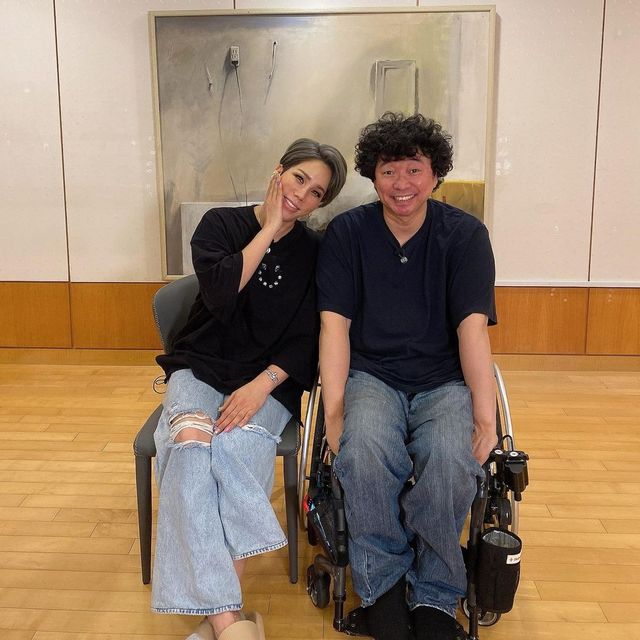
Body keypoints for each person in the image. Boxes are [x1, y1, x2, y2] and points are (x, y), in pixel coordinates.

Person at [152, 138, 347, 640]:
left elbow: (308, 336)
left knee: (235, 449)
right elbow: (220, 295)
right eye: (299, 178)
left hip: (269, 379)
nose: (302, 194)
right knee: (189, 445)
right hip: (199, 366)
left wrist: (262, 386)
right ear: (279, 171)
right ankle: (230, 619)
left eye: (316, 193)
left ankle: (219, 622)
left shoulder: (315, 252)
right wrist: (268, 228)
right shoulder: (219, 224)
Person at [316, 112, 497, 640]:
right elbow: (333, 326)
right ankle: (384, 587)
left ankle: (436, 594)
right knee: (364, 454)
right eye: (389, 170)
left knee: (450, 459)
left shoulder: (465, 236)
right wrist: (333, 414)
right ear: (373, 176)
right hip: (372, 374)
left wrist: (485, 419)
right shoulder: (348, 234)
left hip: (443, 379)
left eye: (414, 170)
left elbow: (472, 330)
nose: (402, 184)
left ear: (435, 174)